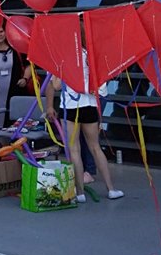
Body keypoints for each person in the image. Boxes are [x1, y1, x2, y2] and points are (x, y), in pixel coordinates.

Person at [45, 52, 123, 203]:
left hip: (70, 107)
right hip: (90, 105)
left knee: (74, 149)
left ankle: (80, 193)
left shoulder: (62, 54)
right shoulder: (93, 54)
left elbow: (56, 85)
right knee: (95, 148)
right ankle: (111, 189)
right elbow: (102, 89)